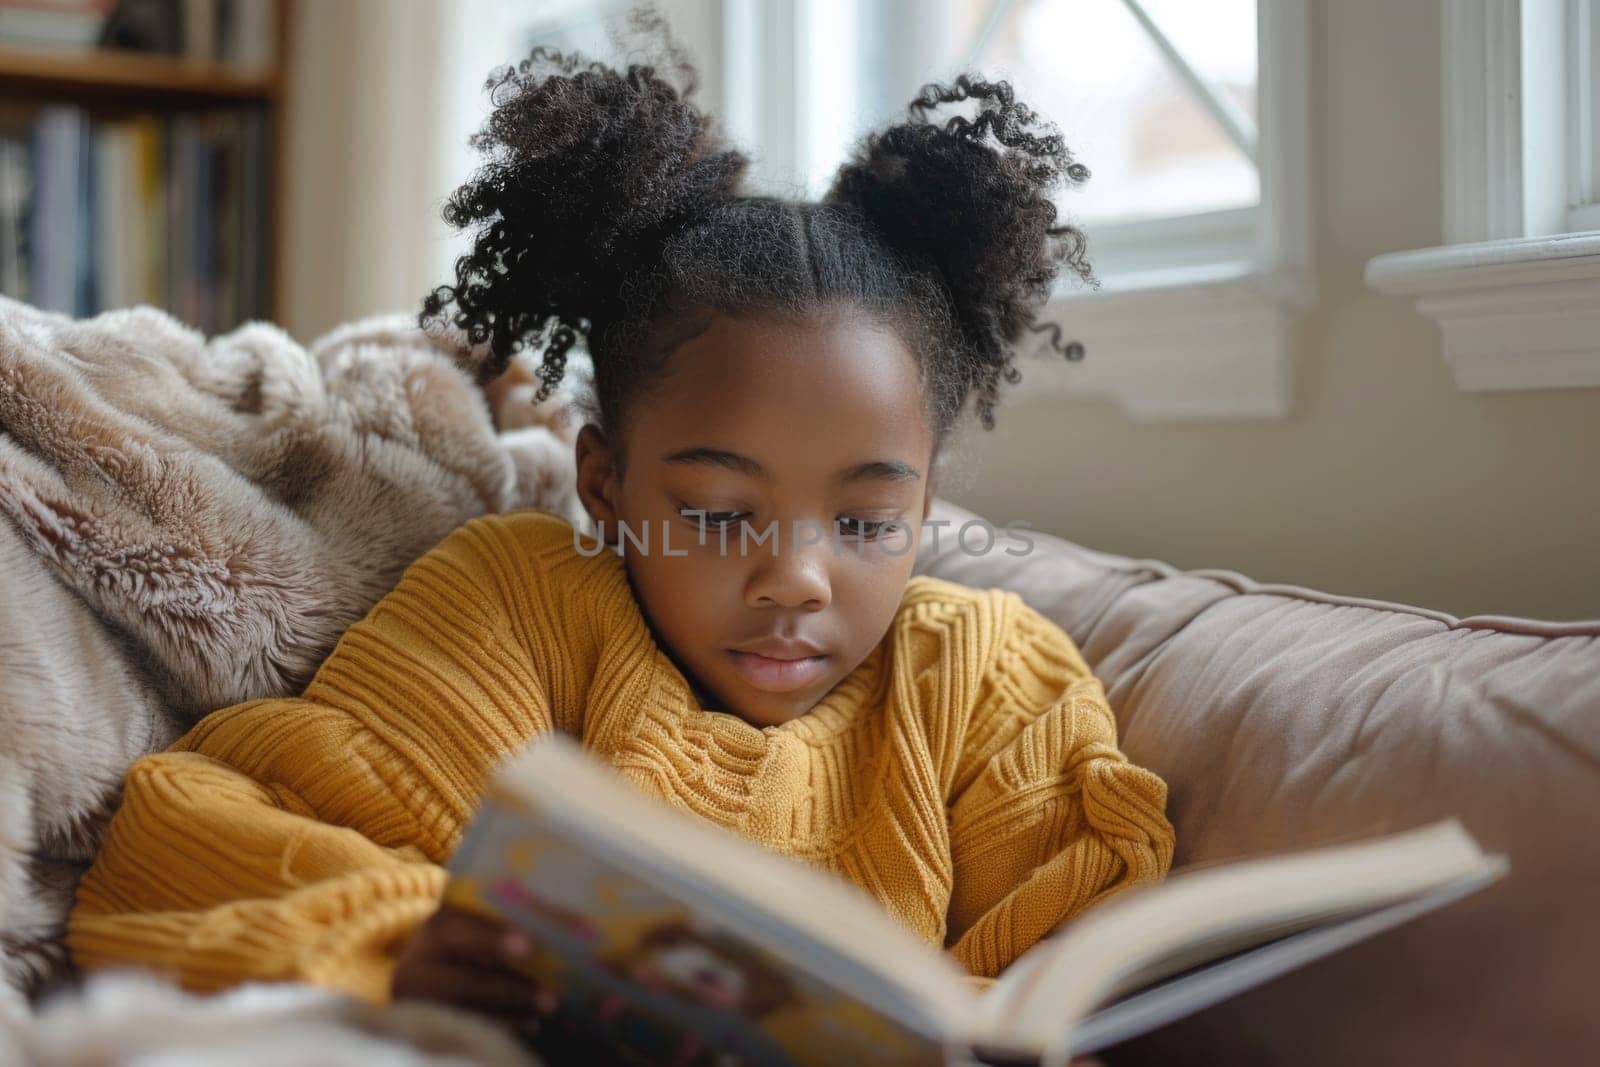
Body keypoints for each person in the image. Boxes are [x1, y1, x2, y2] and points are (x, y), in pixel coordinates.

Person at [67, 29, 1175, 1058]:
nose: (795, 576)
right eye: (717, 512)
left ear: (924, 505)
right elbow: (192, 838)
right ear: (606, 482)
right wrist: (396, 942)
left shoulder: (984, 679)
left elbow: (1067, 958)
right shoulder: (520, 605)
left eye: (866, 523)